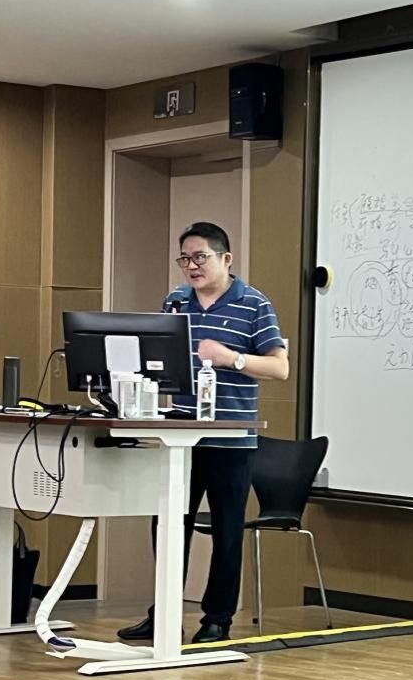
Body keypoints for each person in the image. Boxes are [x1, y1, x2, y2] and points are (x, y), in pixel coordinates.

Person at [117, 221, 288, 644]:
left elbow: (279, 367)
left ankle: (217, 619)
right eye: (185, 259)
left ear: (225, 259)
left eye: (200, 257)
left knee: (227, 532)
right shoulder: (176, 302)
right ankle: (164, 613)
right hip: (180, 435)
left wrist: (232, 358)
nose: (192, 266)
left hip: (232, 439)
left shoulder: (254, 303)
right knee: (168, 525)